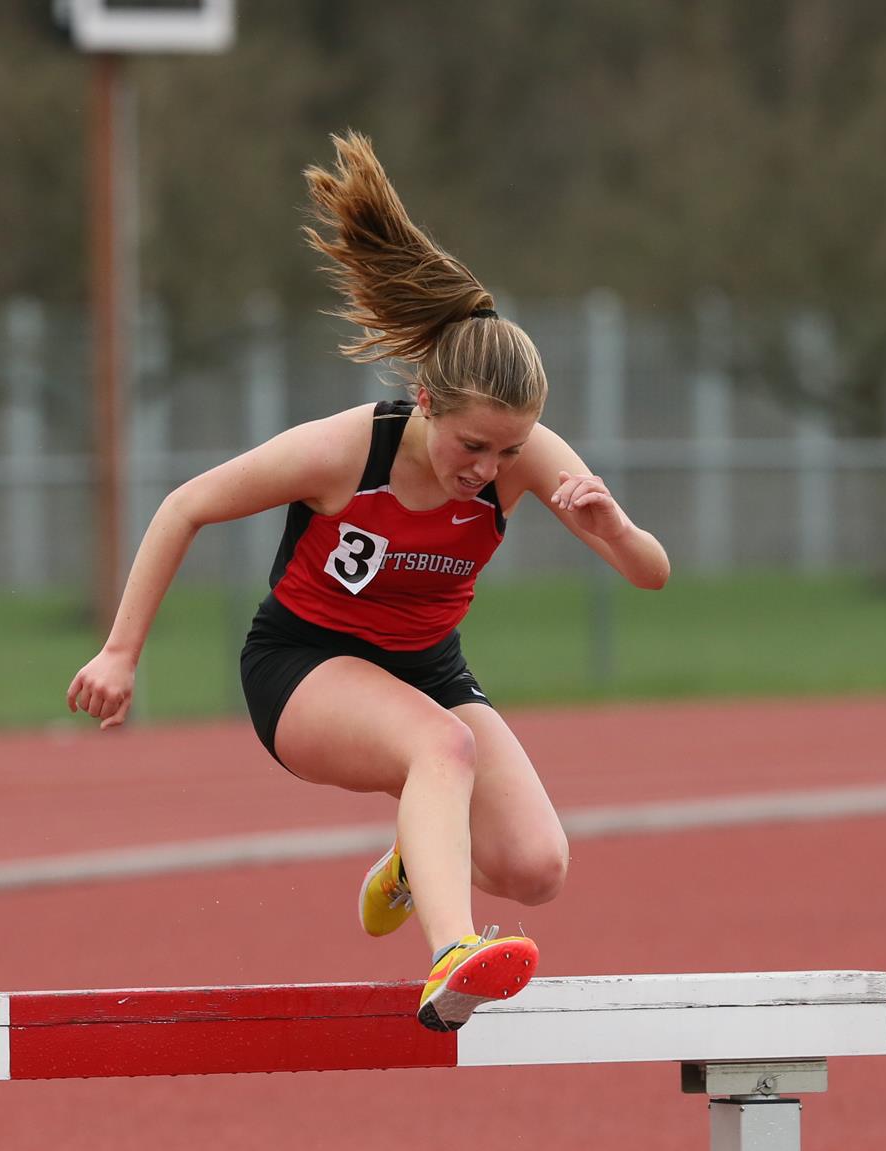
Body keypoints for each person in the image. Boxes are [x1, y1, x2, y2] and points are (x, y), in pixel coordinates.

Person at [67, 132, 670, 1031]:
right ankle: (452, 952)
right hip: (304, 667)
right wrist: (121, 652)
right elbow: (184, 505)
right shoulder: (348, 450)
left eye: (508, 449)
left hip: (425, 666)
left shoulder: (523, 455)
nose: (488, 468)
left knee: (538, 866)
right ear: (425, 403)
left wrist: (613, 528)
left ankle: (409, 862)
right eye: (474, 446)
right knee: (443, 747)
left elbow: (650, 574)